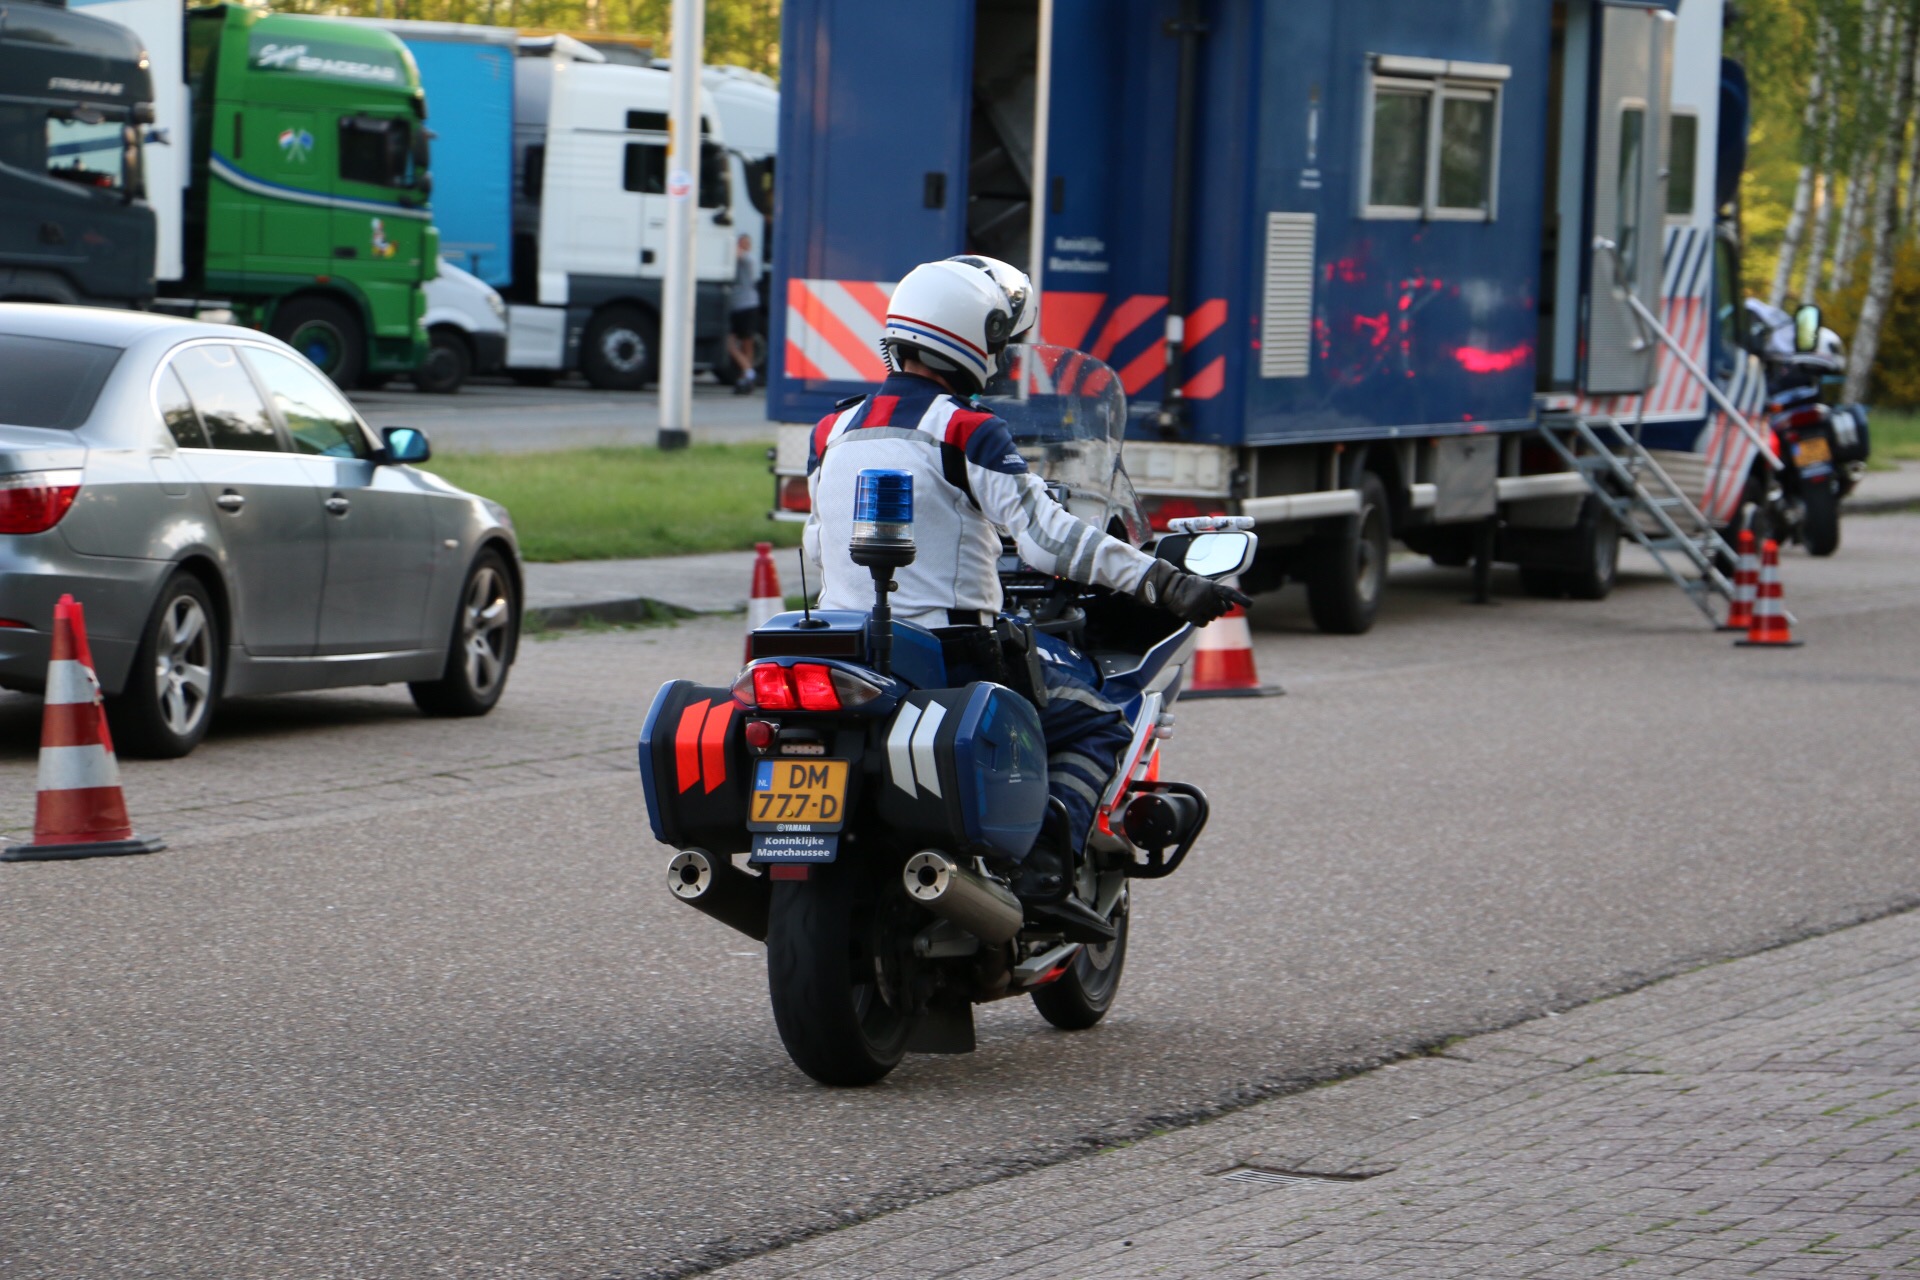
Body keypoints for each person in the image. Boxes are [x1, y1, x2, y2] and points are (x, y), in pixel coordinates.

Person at [801, 257, 1245, 935]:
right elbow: (1047, 540)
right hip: (952, 654)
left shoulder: (830, 430)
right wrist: (1164, 580)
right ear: (971, 337)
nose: (1005, 355)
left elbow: (815, 544)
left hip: (848, 649)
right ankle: (1043, 868)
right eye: (1001, 339)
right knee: (1101, 714)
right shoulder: (965, 429)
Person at [726, 234, 761, 394]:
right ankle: (747, 374)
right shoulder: (748, 259)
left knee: (735, 343)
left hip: (744, 304)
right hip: (744, 304)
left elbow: (737, 256)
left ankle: (748, 372)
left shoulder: (747, 259)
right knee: (745, 344)